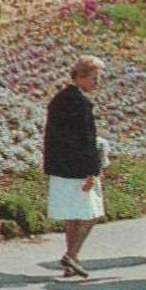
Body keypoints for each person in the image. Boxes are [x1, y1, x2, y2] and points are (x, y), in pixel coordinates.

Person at [44, 55, 107, 278]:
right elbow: (87, 140)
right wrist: (93, 170)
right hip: (79, 169)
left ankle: (72, 259)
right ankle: (72, 254)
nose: (96, 83)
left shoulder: (59, 99)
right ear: (80, 77)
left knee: (72, 215)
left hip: (60, 166)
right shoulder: (82, 103)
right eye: (93, 78)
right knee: (92, 214)